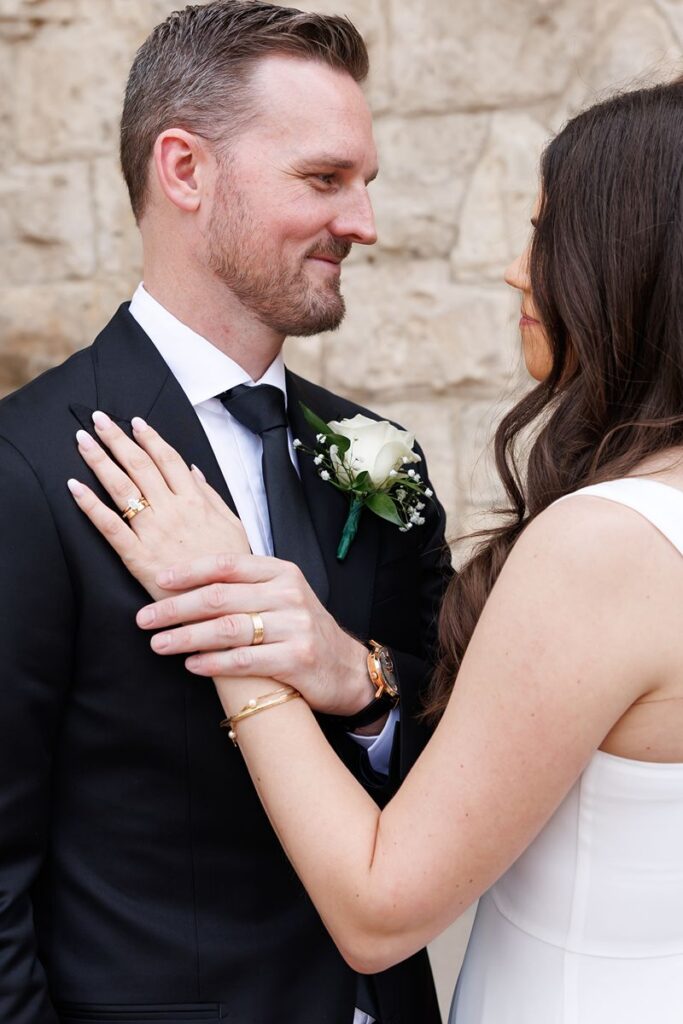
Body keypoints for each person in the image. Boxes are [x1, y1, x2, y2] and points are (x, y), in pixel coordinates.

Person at [70, 79, 683, 1022]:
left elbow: (380, 906)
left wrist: (231, 603)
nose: (518, 272)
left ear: (629, 262)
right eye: (322, 177)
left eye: (544, 234)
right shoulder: (31, 465)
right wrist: (359, 685)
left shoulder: (603, 545)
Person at [0, 4, 451, 1023]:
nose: (364, 222)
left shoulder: (379, 460)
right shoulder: (26, 469)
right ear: (186, 171)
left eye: (364, 183)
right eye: (324, 179)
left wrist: (363, 682)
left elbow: (445, 754)